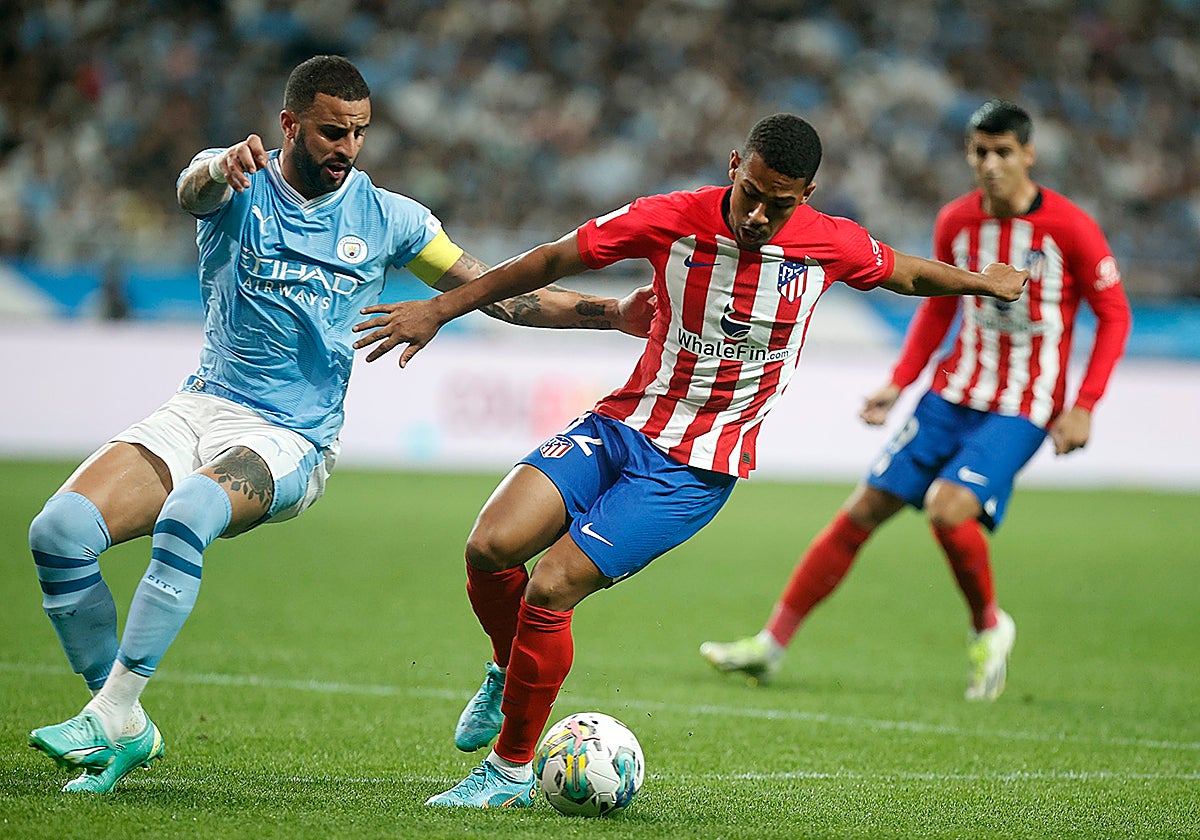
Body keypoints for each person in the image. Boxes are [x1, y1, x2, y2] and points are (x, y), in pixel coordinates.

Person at [350, 112, 1028, 808]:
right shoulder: (670, 217)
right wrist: (442, 309)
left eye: (781, 203)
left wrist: (982, 283)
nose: (760, 214)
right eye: (751, 192)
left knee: (550, 587)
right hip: (623, 422)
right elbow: (551, 258)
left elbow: (905, 273)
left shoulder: (829, 244)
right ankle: (505, 667)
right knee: (490, 546)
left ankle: (510, 772)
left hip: (694, 468)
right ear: (735, 164)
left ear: (810, 194)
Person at [26, 54, 653, 794]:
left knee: (191, 510)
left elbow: (495, 293)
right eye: (331, 132)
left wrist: (610, 314)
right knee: (58, 534)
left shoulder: (389, 218)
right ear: (289, 123)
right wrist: (217, 166)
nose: (346, 148)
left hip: (291, 438)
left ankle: (112, 713)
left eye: (358, 133)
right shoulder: (235, 182)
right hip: (200, 404)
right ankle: (118, 717)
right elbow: (190, 188)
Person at [699, 99, 1132, 701]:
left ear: (1028, 154)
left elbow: (1115, 315)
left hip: (1024, 406)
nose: (990, 164)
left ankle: (988, 626)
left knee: (947, 509)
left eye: (1003, 152)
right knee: (861, 512)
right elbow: (938, 309)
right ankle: (769, 644)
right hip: (950, 393)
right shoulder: (957, 221)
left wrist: (1084, 403)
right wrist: (898, 384)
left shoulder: (1071, 229)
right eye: (980, 151)